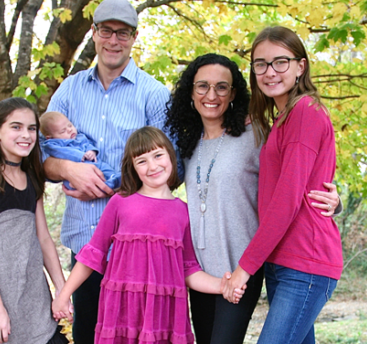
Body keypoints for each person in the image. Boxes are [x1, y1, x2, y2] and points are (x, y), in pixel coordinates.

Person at [165, 54, 341, 344]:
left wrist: (335, 200)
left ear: (234, 93)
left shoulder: (255, 135)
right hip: (199, 273)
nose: (212, 95)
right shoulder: (186, 142)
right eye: (202, 86)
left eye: (222, 87)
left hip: (241, 268)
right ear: (190, 92)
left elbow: (295, 178)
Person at [43, 0, 175, 344]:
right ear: (94, 33)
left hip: (138, 249)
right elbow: (38, 156)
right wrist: (69, 169)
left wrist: (118, 188)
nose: (114, 40)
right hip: (86, 242)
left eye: (123, 33)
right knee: (89, 336)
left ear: (134, 37)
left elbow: (172, 167)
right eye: (106, 31)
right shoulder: (69, 89)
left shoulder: (154, 94)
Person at [52, 127, 243, 343]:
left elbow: (189, 269)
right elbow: (92, 255)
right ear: (132, 167)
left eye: (158, 155)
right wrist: (64, 295)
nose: (152, 166)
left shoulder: (182, 212)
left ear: (171, 156)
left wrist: (222, 285)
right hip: (122, 312)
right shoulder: (120, 202)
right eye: (141, 161)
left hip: (163, 316)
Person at [224, 26, 342, 344]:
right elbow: (309, 180)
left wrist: (244, 269)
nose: (269, 71)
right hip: (283, 262)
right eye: (260, 64)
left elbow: (287, 200)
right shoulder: (283, 117)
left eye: (280, 62)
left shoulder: (305, 112)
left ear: (300, 66)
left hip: (305, 263)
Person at [0, 98, 68, 344]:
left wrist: (61, 289)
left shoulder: (32, 177)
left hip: (34, 295)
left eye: (32, 128)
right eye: (16, 127)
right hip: (0, 293)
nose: (26, 135)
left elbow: (43, 238)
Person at [40, 111, 121, 190]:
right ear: (50, 137)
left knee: (104, 167)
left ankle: (114, 178)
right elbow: (64, 152)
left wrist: (91, 151)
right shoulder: (53, 145)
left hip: (93, 162)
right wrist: (79, 155)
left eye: (70, 125)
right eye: (63, 131)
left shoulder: (79, 137)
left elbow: (88, 143)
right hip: (77, 172)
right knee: (77, 182)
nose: (69, 130)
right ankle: (104, 186)